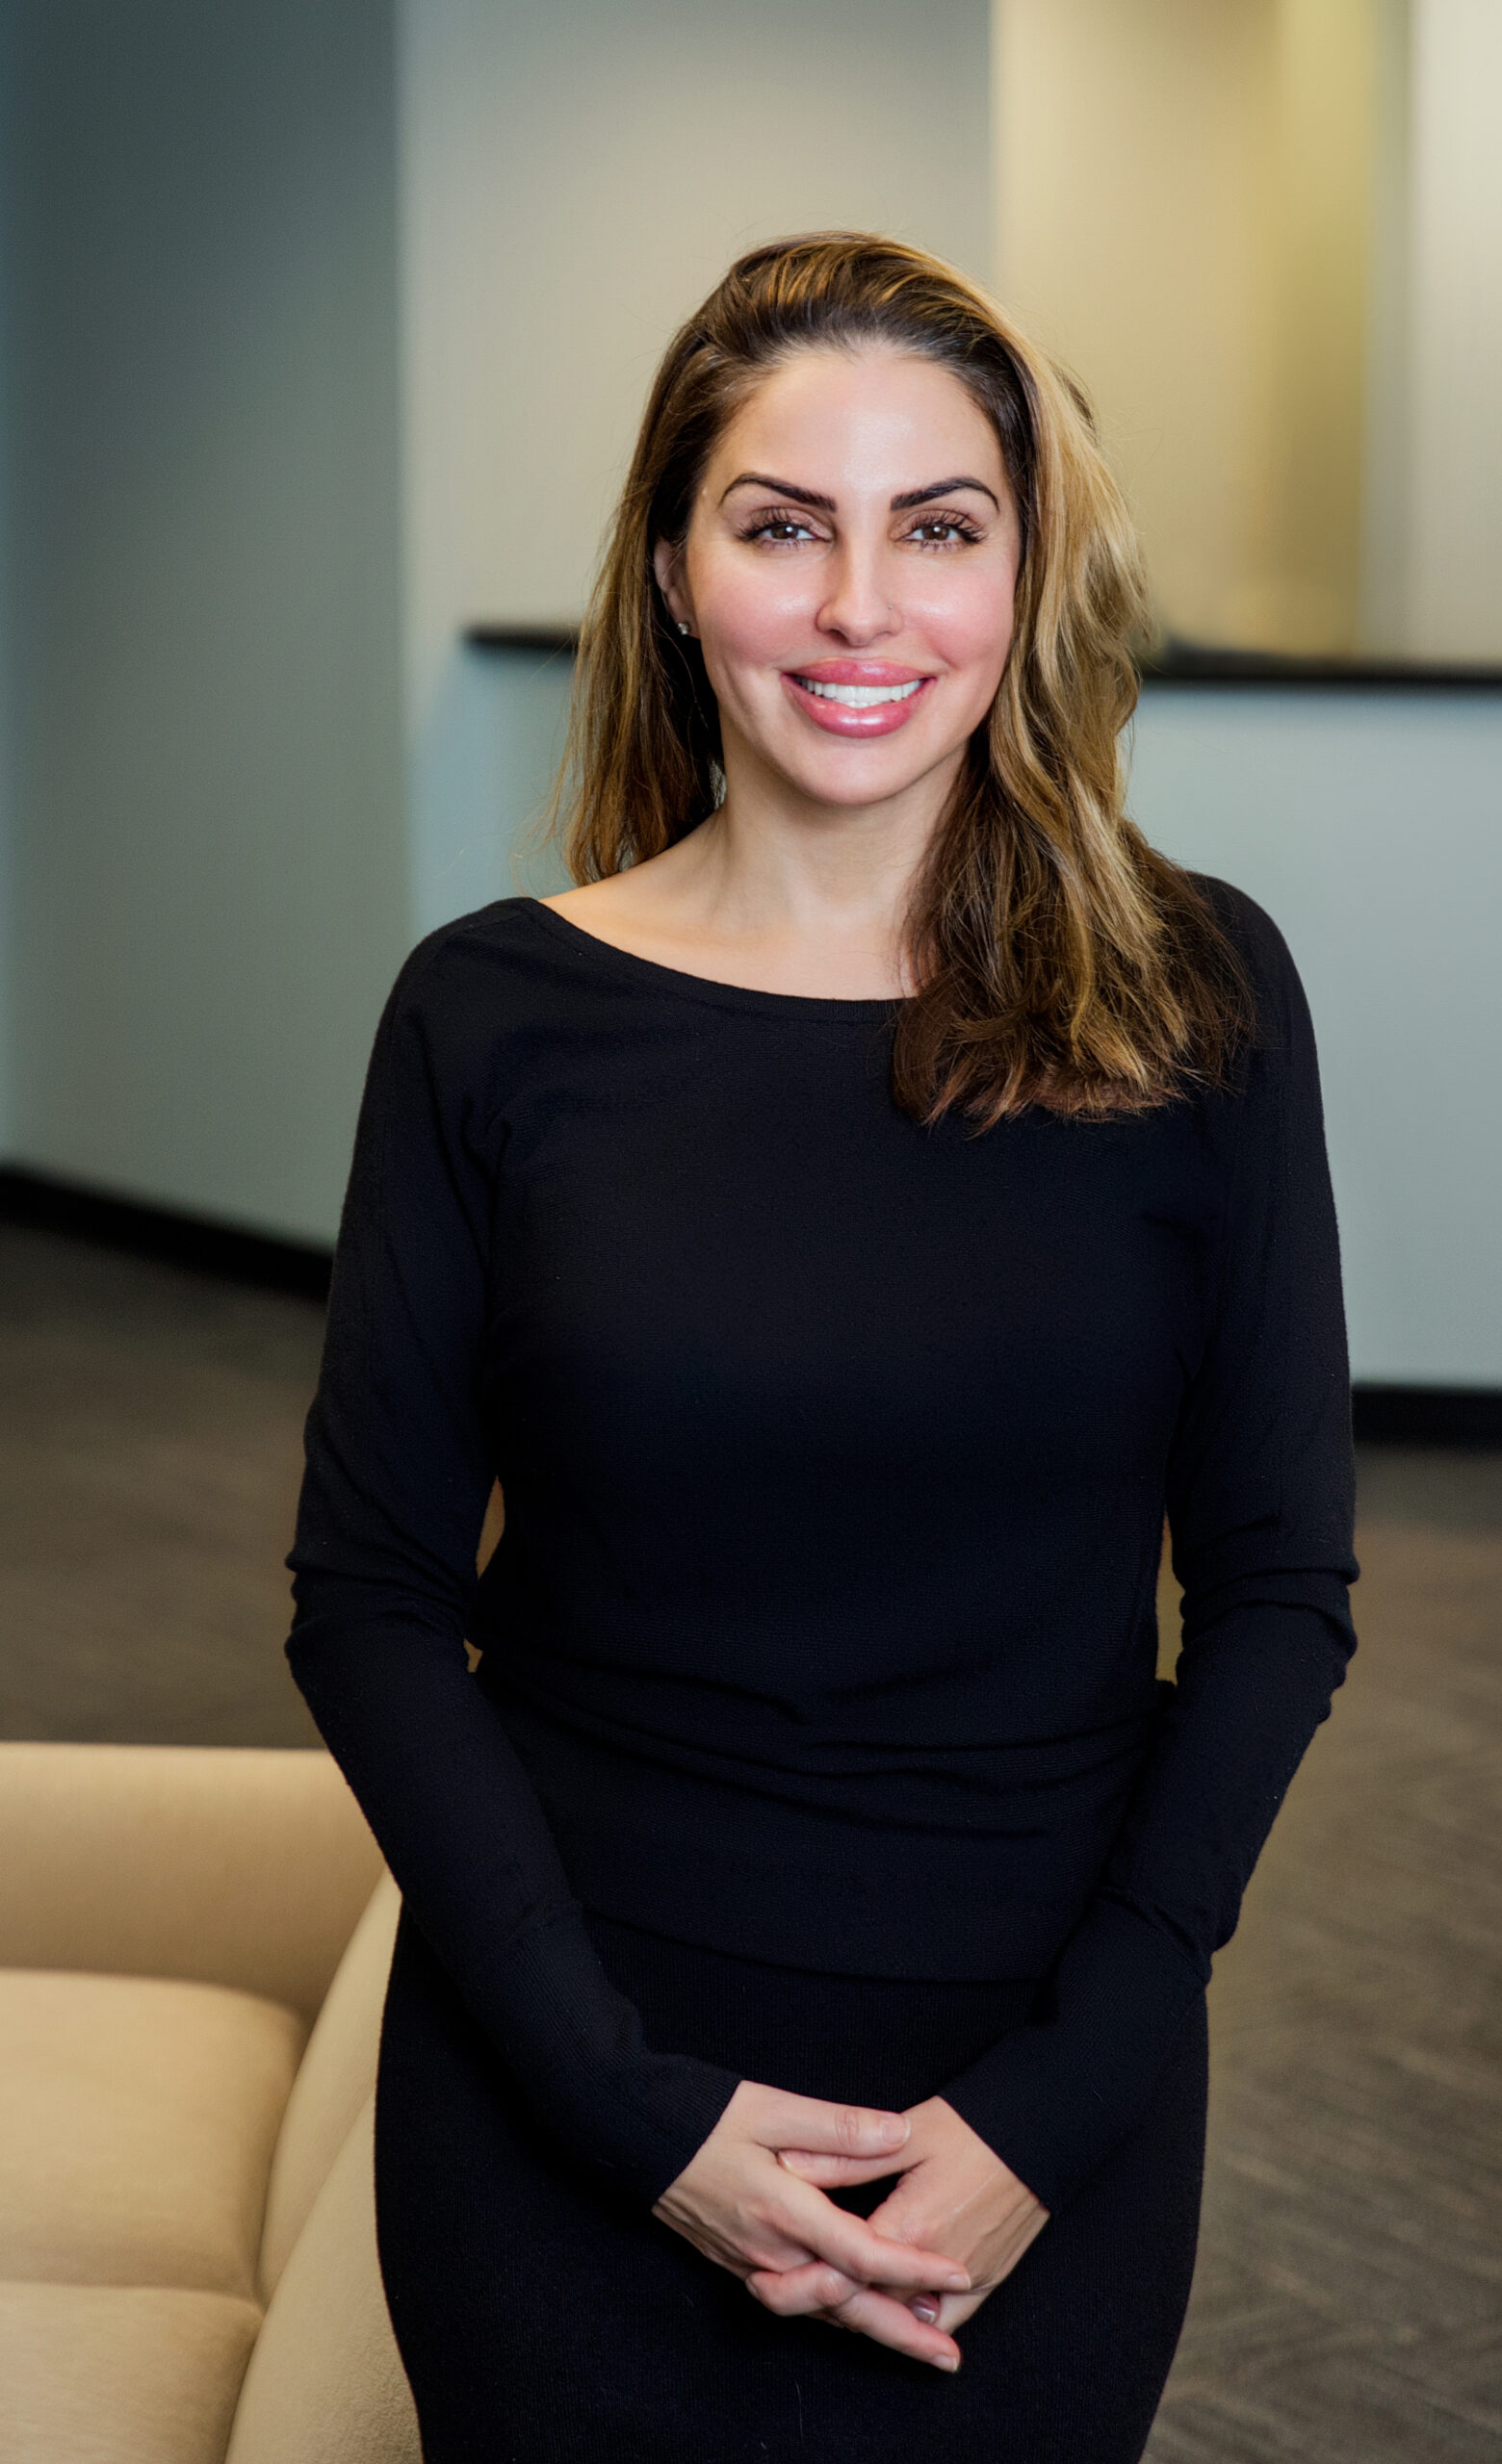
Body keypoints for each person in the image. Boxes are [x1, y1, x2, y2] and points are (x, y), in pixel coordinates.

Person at [286, 231, 1358, 2463]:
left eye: (937, 527)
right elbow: (367, 1601)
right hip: (572, 2059)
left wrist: (1059, 2099)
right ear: (672, 573)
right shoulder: (490, 1014)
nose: (862, 606)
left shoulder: (1199, 995)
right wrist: (626, 2104)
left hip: (1029, 2094)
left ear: (1025, 574)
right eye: (782, 527)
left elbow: (1277, 1587)